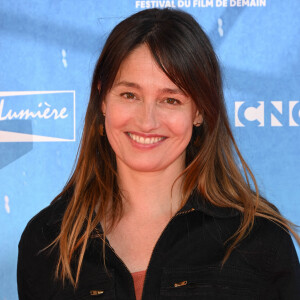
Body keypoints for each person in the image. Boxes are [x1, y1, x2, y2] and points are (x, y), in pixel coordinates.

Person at [17, 8, 300, 300]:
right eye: (130, 95)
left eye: (170, 100)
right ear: (103, 99)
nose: (147, 121)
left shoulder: (257, 238)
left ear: (199, 110)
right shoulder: (47, 241)